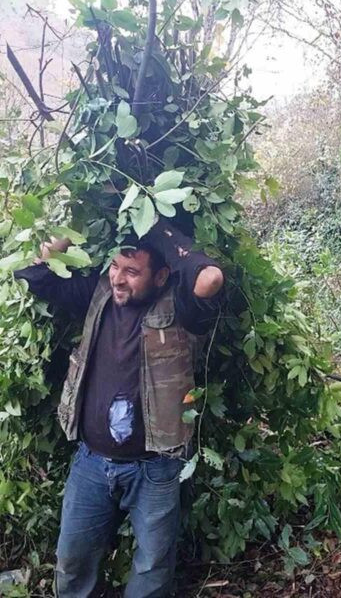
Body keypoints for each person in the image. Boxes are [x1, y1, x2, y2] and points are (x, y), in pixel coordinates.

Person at [15, 218, 224, 597]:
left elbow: (210, 279)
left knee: (152, 570)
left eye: (132, 271)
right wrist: (83, 216)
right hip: (92, 462)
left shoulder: (180, 305)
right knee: (73, 563)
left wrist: (159, 228)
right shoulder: (97, 294)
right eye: (114, 266)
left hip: (156, 467)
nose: (118, 279)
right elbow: (34, 272)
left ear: (161, 276)